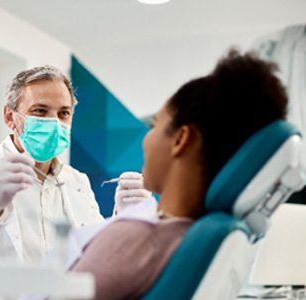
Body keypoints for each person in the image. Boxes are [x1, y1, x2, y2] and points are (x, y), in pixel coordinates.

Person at [68, 49, 289, 300]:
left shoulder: (136, 238)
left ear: (181, 139)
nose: (146, 138)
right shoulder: (198, 236)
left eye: (154, 125)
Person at [0, 65, 150, 268]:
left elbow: (94, 257)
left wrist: (123, 217)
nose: (54, 122)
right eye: (40, 111)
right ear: (10, 117)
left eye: (63, 113)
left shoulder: (77, 182)